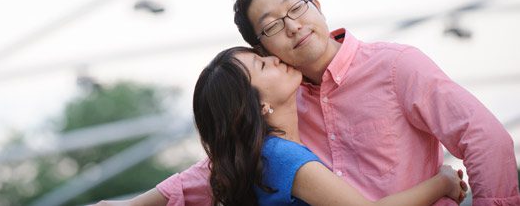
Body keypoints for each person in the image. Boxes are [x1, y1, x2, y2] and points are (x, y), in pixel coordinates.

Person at [96, 0, 520, 206]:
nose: (294, 25)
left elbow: (484, 138)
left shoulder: (395, 66)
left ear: (316, 6)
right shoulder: (279, 106)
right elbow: (226, 164)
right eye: (273, 26)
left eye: (296, 8)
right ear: (262, 48)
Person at [196, 46, 466, 205]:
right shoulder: (281, 156)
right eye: (263, 66)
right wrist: (442, 182)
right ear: (257, 105)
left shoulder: (268, 156)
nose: (275, 58)